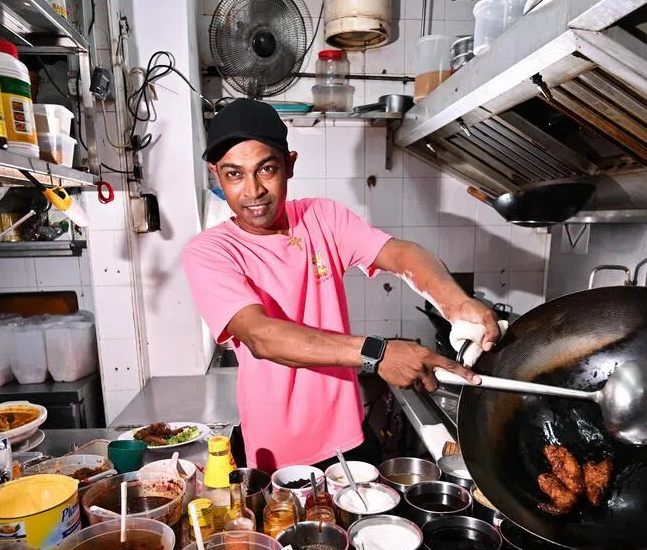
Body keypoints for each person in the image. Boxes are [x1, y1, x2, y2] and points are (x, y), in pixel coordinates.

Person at [183, 99, 500, 472]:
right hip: (277, 458)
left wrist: (456, 304)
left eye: (266, 169)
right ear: (216, 175)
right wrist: (379, 353)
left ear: (289, 165)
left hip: (351, 442)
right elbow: (262, 337)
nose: (252, 191)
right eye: (234, 174)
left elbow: (399, 255)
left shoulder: (322, 216)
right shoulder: (209, 251)